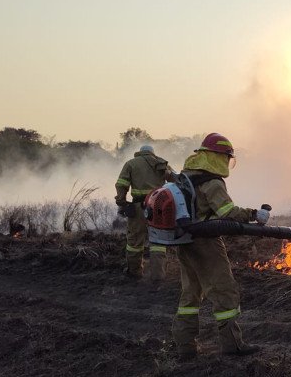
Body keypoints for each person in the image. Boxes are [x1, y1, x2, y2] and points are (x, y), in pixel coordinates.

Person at [171, 132, 269, 360]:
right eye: (226, 157)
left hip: (184, 240)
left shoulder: (186, 176)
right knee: (224, 290)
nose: (226, 162)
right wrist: (254, 214)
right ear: (218, 157)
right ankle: (232, 345)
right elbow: (227, 212)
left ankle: (185, 347)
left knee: (190, 294)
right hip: (206, 241)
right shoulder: (212, 182)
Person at [115, 144, 174, 280]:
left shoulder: (131, 164)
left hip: (138, 207)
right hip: (159, 207)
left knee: (135, 241)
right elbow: (175, 180)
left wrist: (122, 202)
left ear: (140, 152)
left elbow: (121, 184)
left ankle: (134, 272)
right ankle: (158, 275)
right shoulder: (161, 163)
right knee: (158, 241)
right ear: (152, 153)